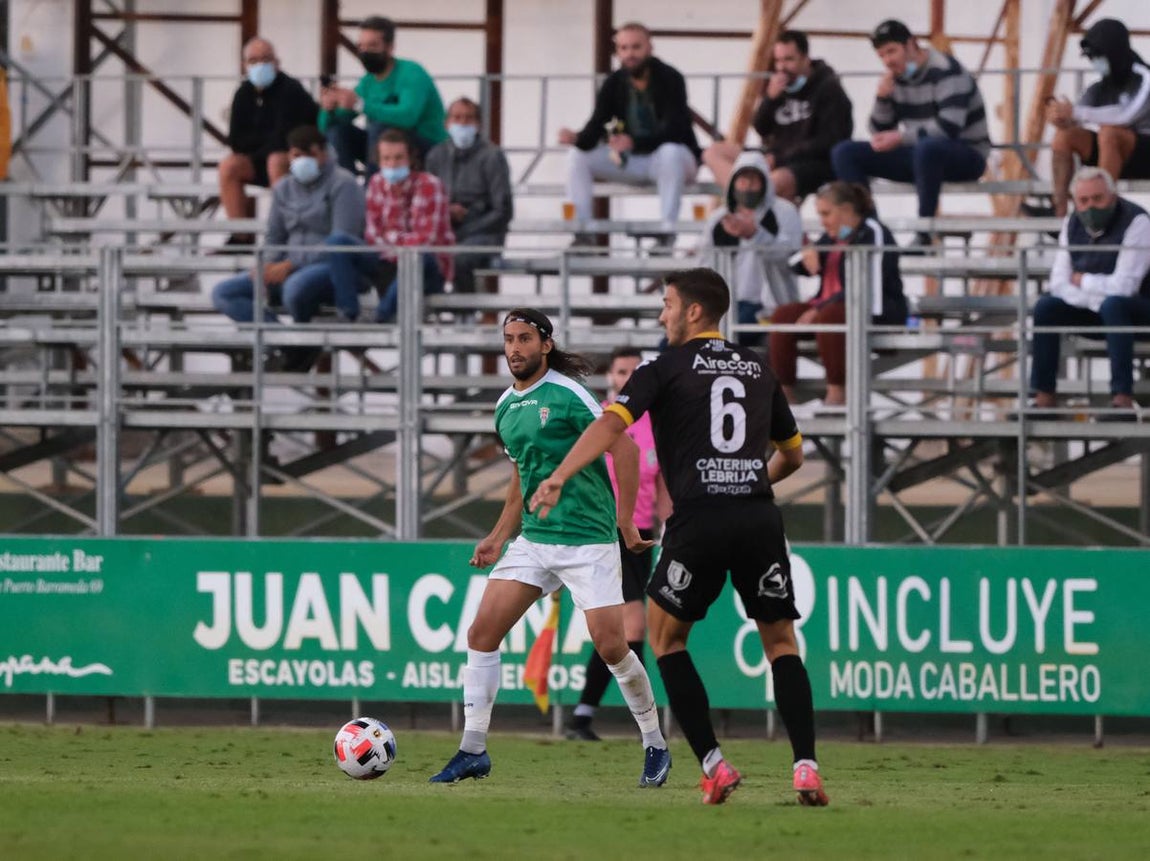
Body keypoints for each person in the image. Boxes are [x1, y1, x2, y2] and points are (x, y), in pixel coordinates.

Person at [530, 268, 827, 808]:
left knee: (666, 641)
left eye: (667, 304)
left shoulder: (662, 369)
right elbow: (794, 454)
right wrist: (753, 481)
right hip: (759, 516)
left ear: (693, 311)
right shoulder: (759, 368)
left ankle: (713, 765)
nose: (661, 314)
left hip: (700, 518)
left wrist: (559, 475)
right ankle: (806, 767)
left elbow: (609, 427)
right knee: (781, 644)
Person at [429, 309, 671, 787]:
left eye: (524, 338)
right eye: (508, 340)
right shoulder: (505, 407)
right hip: (536, 541)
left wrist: (625, 522)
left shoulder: (568, 394)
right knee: (481, 634)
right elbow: (524, 475)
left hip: (587, 539)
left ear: (545, 344)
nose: (515, 348)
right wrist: (499, 536)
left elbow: (623, 448)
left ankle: (655, 744)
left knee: (611, 645)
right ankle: (472, 750)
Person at [567, 346, 671, 742]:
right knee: (632, 629)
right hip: (602, 534)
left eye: (634, 372)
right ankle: (644, 723)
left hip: (639, 538)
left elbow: (659, 485)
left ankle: (583, 715)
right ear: (610, 377)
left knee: (618, 633)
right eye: (621, 371)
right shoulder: (600, 421)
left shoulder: (654, 424)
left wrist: (670, 526)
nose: (626, 377)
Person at [211, 125, 364, 371]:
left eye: (310, 155)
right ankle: (289, 343)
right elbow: (275, 235)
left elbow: (342, 242)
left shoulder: (344, 185)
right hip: (285, 266)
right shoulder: (284, 188)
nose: (302, 161)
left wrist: (292, 264)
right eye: (296, 155)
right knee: (224, 293)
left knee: (295, 288)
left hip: (330, 267)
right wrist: (268, 265)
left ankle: (299, 343)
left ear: (324, 153)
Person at [831, 19, 990, 248]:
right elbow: (879, 132)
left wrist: (901, 138)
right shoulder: (896, 76)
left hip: (965, 154)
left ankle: (924, 234)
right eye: (882, 55)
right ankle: (868, 229)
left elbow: (948, 128)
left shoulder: (946, 71)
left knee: (928, 148)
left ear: (912, 44)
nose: (888, 60)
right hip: (919, 155)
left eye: (892, 51)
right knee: (844, 152)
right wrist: (883, 98)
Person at [558, 22, 700, 242]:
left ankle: (666, 231)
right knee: (577, 156)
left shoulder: (671, 78)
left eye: (636, 47)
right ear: (617, 51)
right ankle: (583, 233)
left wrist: (634, 142)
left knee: (670, 152)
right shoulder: (614, 83)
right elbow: (596, 125)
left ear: (649, 48)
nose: (630, 54)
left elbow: (675, 130)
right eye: (623, 48)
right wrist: (576, 138)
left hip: (674, 161)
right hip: (633, 160)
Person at [1028, 166, 1150, 420]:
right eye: (1084, 201)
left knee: (1115, 305)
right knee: (1046, 306)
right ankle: (1043, 399)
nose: (1091, 207)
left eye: (1098, 198)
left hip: (1138, 311)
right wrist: (1094, 296)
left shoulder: (1137, 221)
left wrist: (1082, 281)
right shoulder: (1071, 223)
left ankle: (1122, 401)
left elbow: (1125, 287)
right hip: (1101, 311)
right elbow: (1059, 283)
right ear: (1075, 202)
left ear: (1112, 196)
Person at [771, 181, 907, 410]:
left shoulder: (873, 232)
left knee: (830, 315)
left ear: (845, 209)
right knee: (783, 315)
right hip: (829, 309)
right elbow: (794, 264)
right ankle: (782, 394)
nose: (822, 221)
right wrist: (807, 252)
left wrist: (819, 308)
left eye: (826, 213)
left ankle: (837, 392)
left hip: (873, 311)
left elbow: (868, 285)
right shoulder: (835, 236)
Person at [703, 30, 853, 202]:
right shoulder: (779, 87)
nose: (782, 67)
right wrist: (770, 99)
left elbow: (828, 141)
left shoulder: (829, 89)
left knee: (774, 181)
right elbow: (761, 128)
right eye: (778, 60)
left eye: (789, 60)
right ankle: (744, 199)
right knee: (714, 152)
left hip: (811, 162)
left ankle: (748, 202)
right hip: (774, 155)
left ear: (805, 59)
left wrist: (780, 158)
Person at [326, 130, 453, 323]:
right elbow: (372, 235)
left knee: (419, 255)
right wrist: (398, 242)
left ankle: (380, 316)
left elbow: (424, 240)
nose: (392, 164)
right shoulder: (376, 183)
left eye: (398, 158)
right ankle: (348, 313)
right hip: (387, 262)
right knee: (337, 242)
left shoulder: (429, 184)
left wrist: (391, 240)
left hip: (425, 270)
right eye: (386, 159)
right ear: (378, 160)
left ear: (410, 158)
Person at [1040, 19, 1150, 219]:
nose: (1095, 62)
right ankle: (1059, 210)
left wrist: (1074, 113)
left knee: (1110, 134)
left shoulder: (1144, 77)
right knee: (1065, 137)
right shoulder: (1100, 87)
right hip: (1115, 154)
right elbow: (1079, 114)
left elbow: (1125, 114)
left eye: (1098, 56)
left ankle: (1102, 211)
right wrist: (1061, 118)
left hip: (1145, 154)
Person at [219, 38, 319, 245]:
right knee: (229, 165)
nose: (260, 66)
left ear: (277, 62)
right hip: (258, 162)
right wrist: (259, 148)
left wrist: (256, 146)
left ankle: (284, 232)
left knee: (276, 159)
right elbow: (236, 140)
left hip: (291, 162)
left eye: (265, 59)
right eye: (253, 60)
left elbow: (285, 138)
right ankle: (240, 237)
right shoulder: (243, 93)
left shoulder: (291, 90)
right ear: (244, 65)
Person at [319, 16, 447, 176]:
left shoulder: (411, 72)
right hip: (387, 150)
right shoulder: (367, 82)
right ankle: (347, 187)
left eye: (372, 45)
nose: (365, 52)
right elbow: (326, 127)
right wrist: (328, 109)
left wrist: (360, 104)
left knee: (380, 128)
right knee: (337, 131)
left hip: (428, 147)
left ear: (390, 47)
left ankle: (372, 189)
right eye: (361, 46)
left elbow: (408, 116)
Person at [697, 151, 802, 348]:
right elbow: (704, 265)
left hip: (770, 305)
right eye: (742, 180)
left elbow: (788, 256)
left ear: (765, 182)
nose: (747, 187)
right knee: (671, 343)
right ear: (733, 183)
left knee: (716, 343)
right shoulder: (719, 218)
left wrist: (754, 234)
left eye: (754, 181)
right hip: (726, 304)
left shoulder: (784, 212)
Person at [424, 97, 513, 294]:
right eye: (457, 118)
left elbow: (503, 210)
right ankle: (424, 310)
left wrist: (466, 227)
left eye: (469, 118)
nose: (463, 123)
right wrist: (446, 212)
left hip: (485, 234)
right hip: (445, 233)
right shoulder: (436, 156)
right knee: (414, 258)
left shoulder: (492, 157)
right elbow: (427, 202)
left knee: (457, 257)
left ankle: (465, 314)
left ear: (478, 124)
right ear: (447, 123)